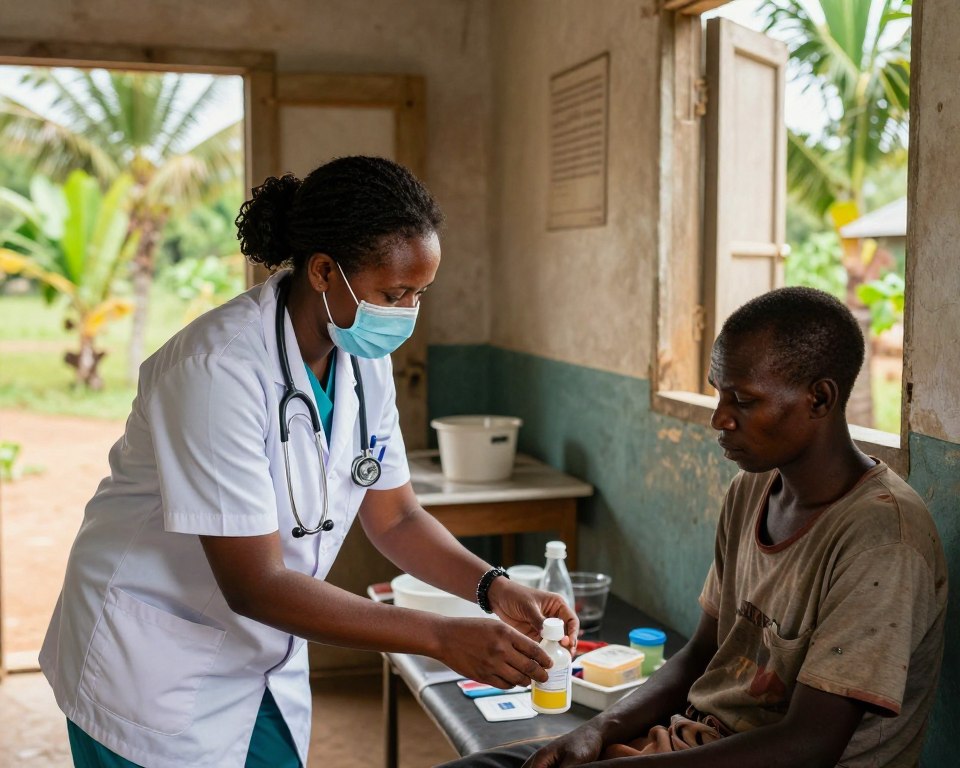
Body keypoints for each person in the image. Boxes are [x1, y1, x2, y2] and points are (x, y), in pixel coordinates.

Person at [40, 156, 577, 768]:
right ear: (324, 271)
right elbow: (256, 583)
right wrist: (438, 635)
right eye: (394, 293)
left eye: (418, 295)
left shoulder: (362, 360)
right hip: (152, 665)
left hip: (260, 658)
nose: (405, 313)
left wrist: (492, 587)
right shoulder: (216, 370)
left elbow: (396, 517)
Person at [440, 287, 947, 768]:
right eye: (718, 394)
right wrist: (599, 730)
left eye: (743, 401)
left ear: (819, 399)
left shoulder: (883, 540)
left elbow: (808, 747)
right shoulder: (752, 491)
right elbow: (702, 653)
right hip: (685, 745)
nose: (719, 419)